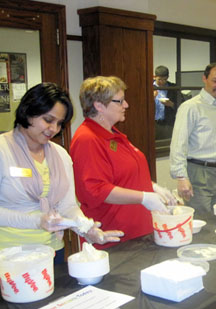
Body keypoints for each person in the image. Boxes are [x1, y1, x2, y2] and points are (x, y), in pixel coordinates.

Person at [0, 83, 123, 262]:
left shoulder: (60, 155)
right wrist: (37, 221)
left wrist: (86, 228)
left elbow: (67, 206)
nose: (54, 129)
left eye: (59, 123)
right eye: (48, 120)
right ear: (28, 111)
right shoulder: (3, 149)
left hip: (52, 251)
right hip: (9, 256)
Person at [70, 76, 176, 249]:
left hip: (137, 233)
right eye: (120, 101)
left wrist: (151, 187)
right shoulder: (87, 139)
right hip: (115, 238)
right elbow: (95, 190)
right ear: (99, 106)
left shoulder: (114, 134)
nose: (126, 105)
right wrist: (143, 197)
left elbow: (122, 176)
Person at [170, 62, 216, 214]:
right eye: (215, 81)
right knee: (202, 221)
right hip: (198, 172)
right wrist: (181, 177)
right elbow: (179, 144)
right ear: (204, 78)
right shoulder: (191, 107)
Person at [154, 65, 181, 139]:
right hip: (152, 123)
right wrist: (152, 98)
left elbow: (182, 105)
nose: (162, 82)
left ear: (168, 77)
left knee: (166, 145)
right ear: (154, 77)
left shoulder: (173, 88)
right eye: (159, 79)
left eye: (164, 79)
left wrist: (172, 104)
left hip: (168, 123)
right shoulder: (148, 87)